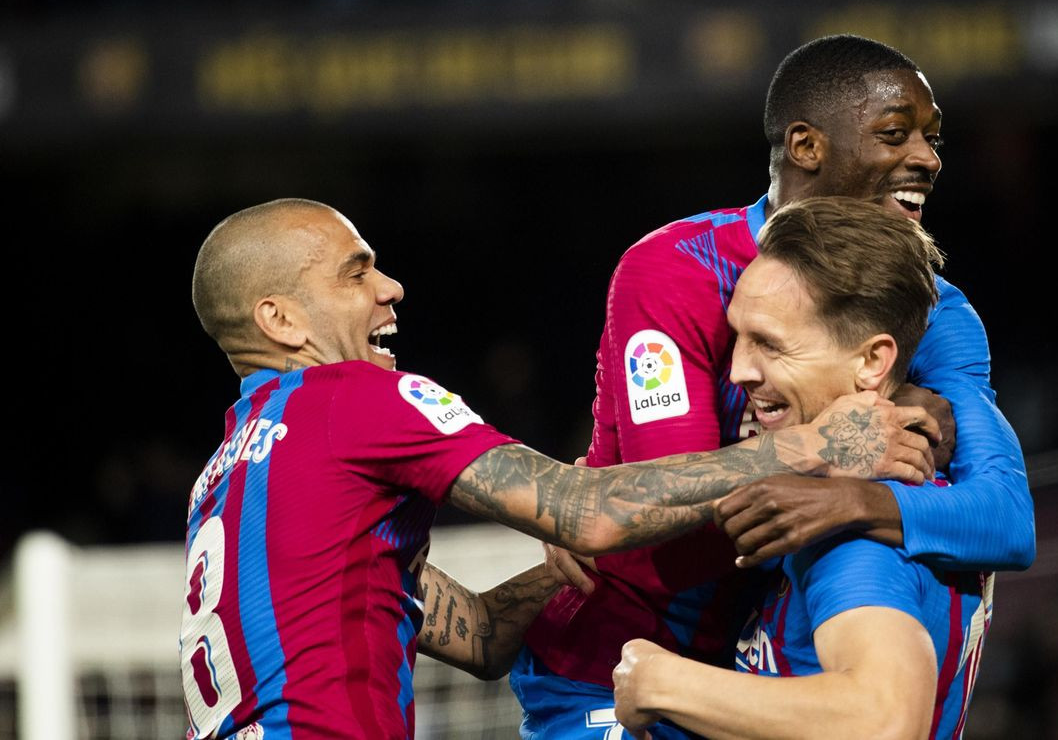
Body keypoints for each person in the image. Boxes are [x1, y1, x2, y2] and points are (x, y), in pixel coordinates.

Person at [180, 197, 936, 738]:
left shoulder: (227, 478)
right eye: (355, 274)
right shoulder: (355, 400)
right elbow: (592, 513)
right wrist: (809, 447)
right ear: (280, 320)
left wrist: (570, 555)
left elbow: (479, 636)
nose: (389, 288)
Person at [515, 34, 1033, 739]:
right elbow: (648, 508)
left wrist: (857, 499)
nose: (927, 158)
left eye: (932, 138)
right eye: (895, 134)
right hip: (611, 666)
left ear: (876, 356)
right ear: (806, 145)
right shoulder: (678, 270)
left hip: (758, 664)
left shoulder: (933, 311)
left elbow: (1006, 515)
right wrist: (597, 502)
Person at [613, 197, 991, 739]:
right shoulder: (897, 500)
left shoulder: (853, 535)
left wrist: (658, 681)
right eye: (737, 338)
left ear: (871, 362)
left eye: (770, 344)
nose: (739, 370)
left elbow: (883, 720)